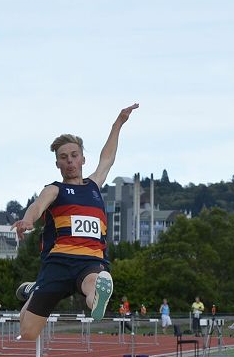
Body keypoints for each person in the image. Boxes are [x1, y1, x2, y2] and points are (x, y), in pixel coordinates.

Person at [12, 103, 139, 340]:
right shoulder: (55, 189)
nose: (69, 161)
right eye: (63, 158)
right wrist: (28, 220)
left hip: (90, 260)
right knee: (28, 332)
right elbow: (37, 205)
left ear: (82, 159)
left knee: (95, 287)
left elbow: (108, 158)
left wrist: (118, 124)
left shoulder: (93, 186)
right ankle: (33, 290)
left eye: (74, 156)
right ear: (57, 164)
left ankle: (98, 297)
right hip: (58, 263)